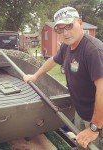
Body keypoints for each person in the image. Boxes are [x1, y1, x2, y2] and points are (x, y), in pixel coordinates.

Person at [23, 7, 103, 149]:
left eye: (69, 26)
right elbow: (53, 60)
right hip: (81, 112)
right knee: (81, 145)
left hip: (98, 119)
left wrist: (94, 128)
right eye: (60, 29)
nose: (65, 32)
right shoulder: (68, 46)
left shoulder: (93, 51)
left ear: (80, 23)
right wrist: (35, 76)